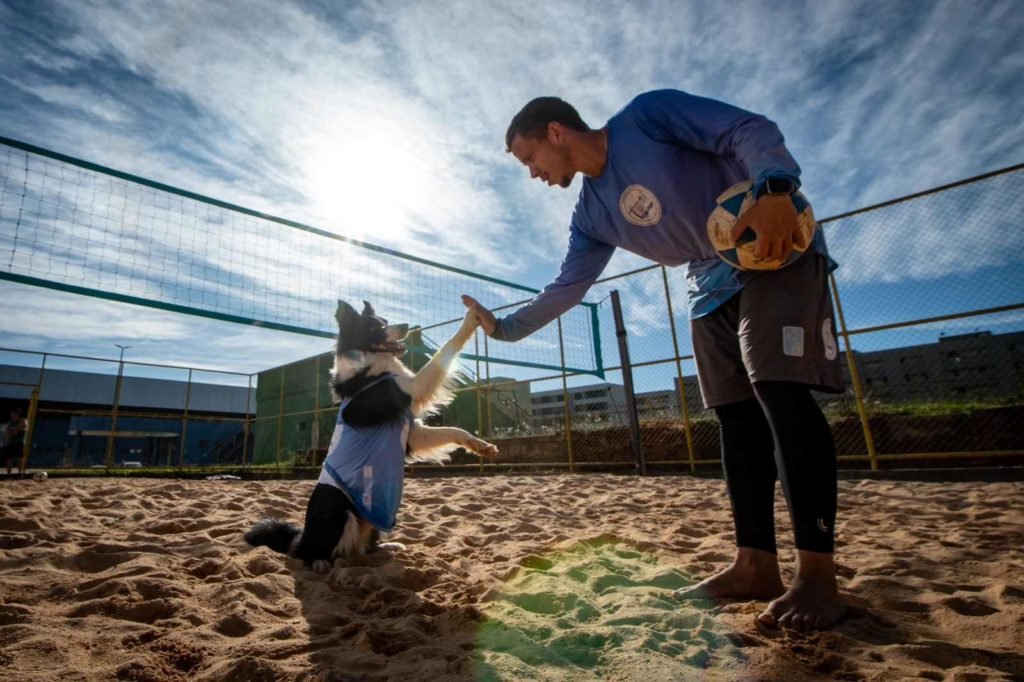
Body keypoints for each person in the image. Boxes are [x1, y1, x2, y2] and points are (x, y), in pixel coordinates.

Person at [462, 90, 846, 632]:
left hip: (775, 245)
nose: (532, 174)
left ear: (555, 132)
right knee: (736, 419)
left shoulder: (647, 117)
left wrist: (776, 185)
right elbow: (567, 287)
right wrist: (502, 329)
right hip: (707, 283)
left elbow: (746, 129)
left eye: (528, 159)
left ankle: (817, 577)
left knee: (779, 391)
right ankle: (755, 564)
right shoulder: (591, 215)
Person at [4, 407, 28, 475]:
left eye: (13, 414)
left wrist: (14, 430)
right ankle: (8, 474)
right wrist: (15, 430)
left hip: (19, 442)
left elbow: (20, 428)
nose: (11, 415)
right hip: (11, 443)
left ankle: (20, 473)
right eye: (11, 414)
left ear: (17, 414)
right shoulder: (10, 423)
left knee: (20, 458)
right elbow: (9, 433)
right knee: (9, 459)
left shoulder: (23, 420)